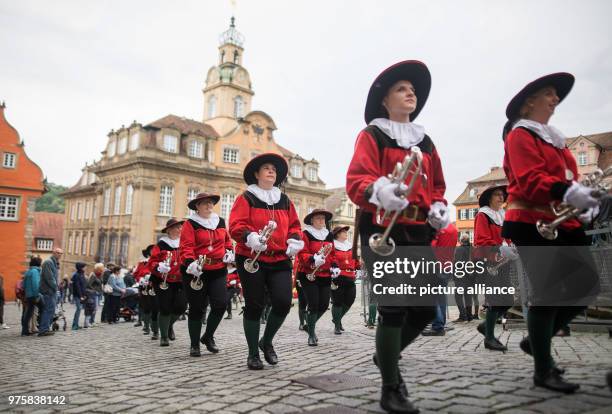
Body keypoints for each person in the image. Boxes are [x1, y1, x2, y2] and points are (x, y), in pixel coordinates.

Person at [346, 60, 449, 413]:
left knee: (423, 308)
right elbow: (356, 180)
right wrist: (379, 189)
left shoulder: (426, 141)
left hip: (418, 229)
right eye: (402, 89)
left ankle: (384, 355)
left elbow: (437, 186)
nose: (411, 94)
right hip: (383, 229)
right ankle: (391, 387)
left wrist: (438, 206)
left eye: (413, 90)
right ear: (385, 99)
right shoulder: (372, 135)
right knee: (392, 307)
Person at [502, 72, 601, 393]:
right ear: (529, 101)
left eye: (556, 95)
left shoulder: (557, 141)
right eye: (549, 93)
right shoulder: (519, 135)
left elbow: (572, 177)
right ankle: (543, 369)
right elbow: (530, 179)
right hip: (532, 222)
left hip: (563, 222)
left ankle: (537, 339)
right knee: (547, 293)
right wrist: (568, 191)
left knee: (586, 287)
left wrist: (585, 201)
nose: (555, 99)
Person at [229, 153, 304, 370]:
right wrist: (250, 237)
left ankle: (266, 341)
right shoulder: (246, 197)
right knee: (254, 304)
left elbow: (295, 226)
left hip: (280, 258)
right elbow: (236, 225)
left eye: (274, 168)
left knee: (282, 302)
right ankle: (253, 353)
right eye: (266, 168)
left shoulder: (284, 199)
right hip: (251, 258)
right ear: (256, 173)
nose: (271, 171)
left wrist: (295, 240)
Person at [180, 192, 235, 357]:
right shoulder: (190, 224)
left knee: (221, 304)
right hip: (196, 270)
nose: (209, 205)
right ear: (197, 206)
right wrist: (191, 263)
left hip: (218, 269)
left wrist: (229, 252)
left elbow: (227, 241)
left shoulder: (220, 221)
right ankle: (194, 344)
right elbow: (186, 246)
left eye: (210, 203)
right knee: (197, 308)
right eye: (204, 203)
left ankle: (208, 336)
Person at [296, 209, 334, 346]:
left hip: (325, 274)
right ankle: (311, 334)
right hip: (308, 274)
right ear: (312, 220)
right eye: (318, 218)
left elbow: (333, 252)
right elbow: (301, 253)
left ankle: (309, 325)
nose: (321, 221)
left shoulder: (328, 234)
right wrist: (313, 259)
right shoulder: (305, 234)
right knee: (313, 304)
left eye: (323, 218)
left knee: (323, 305)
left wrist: (334, 265)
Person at [149, 218, 187, 346]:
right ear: (169, 230)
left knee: (181, 307)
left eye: (180, 227)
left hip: (180, 280)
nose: (180, 229)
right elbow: (152, 262)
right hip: (163, 280)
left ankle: (168, 325)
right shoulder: (161, 245)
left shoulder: (185, 243)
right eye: (177, 227)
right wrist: (159, 267)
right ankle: (164, 336)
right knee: (165, 308)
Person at [422, 223, 458, 336]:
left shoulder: (438, 229)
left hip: (436, 266)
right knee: (441, 296)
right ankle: (441, 324)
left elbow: (431, 248)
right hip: (447, 266)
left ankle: (437, 326)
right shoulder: (453, 228)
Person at [329, 226, 359, 335]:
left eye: (346, 231)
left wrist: (359, 265)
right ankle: (337, 325)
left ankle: (337, 318)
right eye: (343, 231)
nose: (346, 233)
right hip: (338, 276)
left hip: (350, 276)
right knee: (337, 302)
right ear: (337, 234)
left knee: (350, 300)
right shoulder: (332, 246)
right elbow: (331, 260)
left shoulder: (350, 246)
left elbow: (355, 260)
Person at [39, 248, 63, 336]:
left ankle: (45, 328)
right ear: (53, 253)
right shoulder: (48, 262)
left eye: (61, 253)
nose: (60, 254)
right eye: (58, 253)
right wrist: (56, 287)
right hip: (48, 291)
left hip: (52, 291)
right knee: (48, 310)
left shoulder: (55, 263)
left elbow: (55, 278)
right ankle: (43, 330)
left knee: (51, 310)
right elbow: (49, 278)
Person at [453, 234, 473, 322]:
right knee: (468, 296)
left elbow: (458, 263)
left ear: (461, 240)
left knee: (458, 296)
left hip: (461, 276)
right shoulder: (473, 249)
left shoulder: (459, 249)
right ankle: (469, 316)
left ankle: (463, 315)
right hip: (471, 275)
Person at [21, 257, 44, 335]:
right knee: (44, 309)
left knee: (28, 313)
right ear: (38, 264)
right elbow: (35, 284)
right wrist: (37, 295)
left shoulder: (28, 271)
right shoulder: (35, 272)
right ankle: (43, 328)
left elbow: (23, 285)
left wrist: (27, 293)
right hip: (35, 295)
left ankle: (25, 331)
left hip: (28, 296)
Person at [71, 262, 89, 330]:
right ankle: (74, 325)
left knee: (79, 309)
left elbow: (83, 285)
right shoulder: (77, 275)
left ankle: (76, 324)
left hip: (81, 295)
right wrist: (81, 296)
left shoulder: (81, 274)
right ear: (81, 267)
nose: (85, 268)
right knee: (78, 309)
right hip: (78, 295)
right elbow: (77, 286)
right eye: (84, 267)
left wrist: (84, 294)